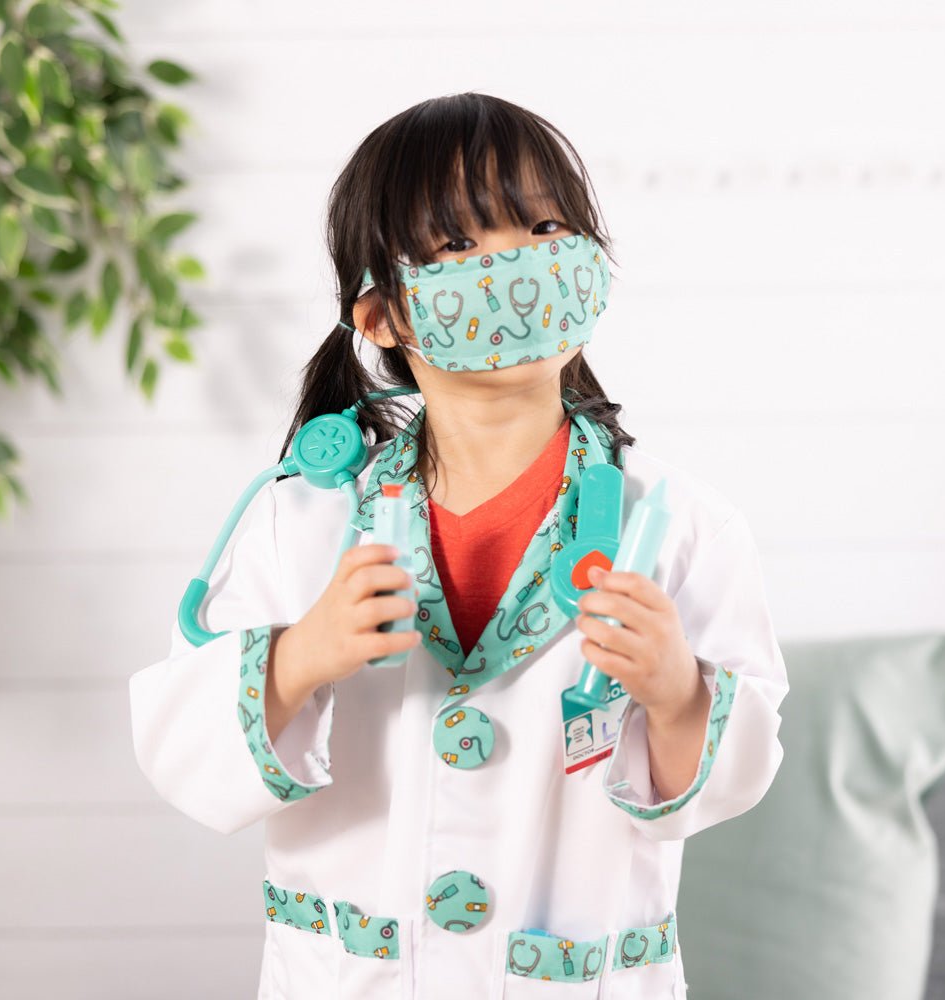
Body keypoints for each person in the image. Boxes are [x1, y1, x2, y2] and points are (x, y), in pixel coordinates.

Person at [129, 91, 789, 1000]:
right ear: (381, 317)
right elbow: (182, 754)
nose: (514, 266)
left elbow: (730, 780)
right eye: (457, 244)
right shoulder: (302, 520)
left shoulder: (679, 526)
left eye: (544, 227)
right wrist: (300, 657)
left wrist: (679, 695)